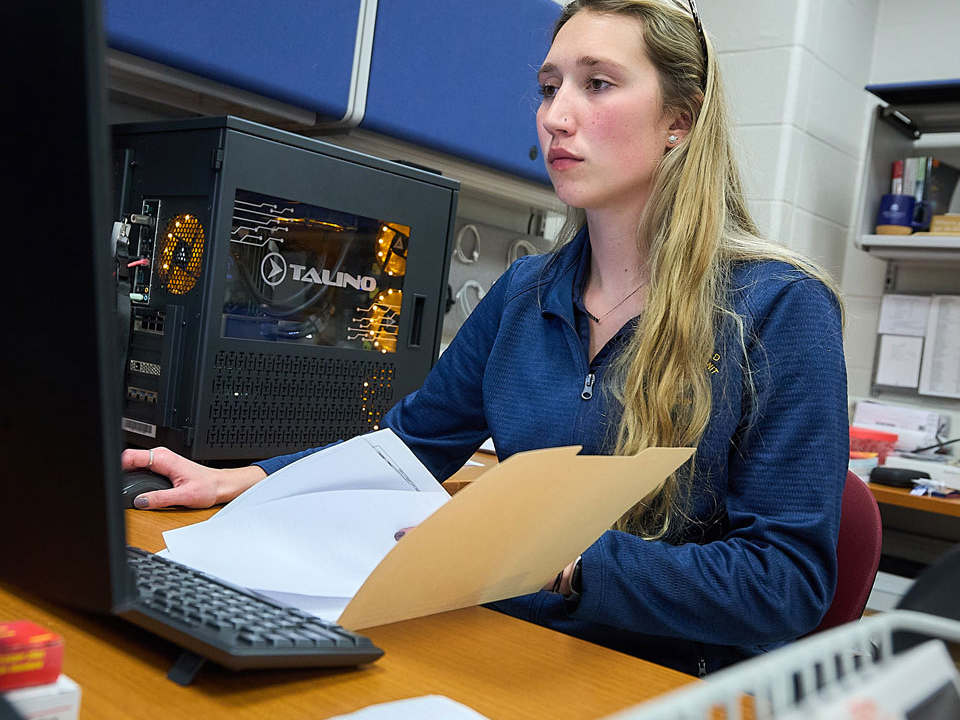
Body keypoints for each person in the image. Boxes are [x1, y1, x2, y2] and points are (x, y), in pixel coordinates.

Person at [123, 0, 848, 676]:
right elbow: (409, 448)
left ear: (679, 121)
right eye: (549, 86)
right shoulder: (525, 294)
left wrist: (565, 560)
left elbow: (783, 582)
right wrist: (245, 481)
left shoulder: (778, 308)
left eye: (598, 85)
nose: (556, 117)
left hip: (652, 679)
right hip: (505, 643)